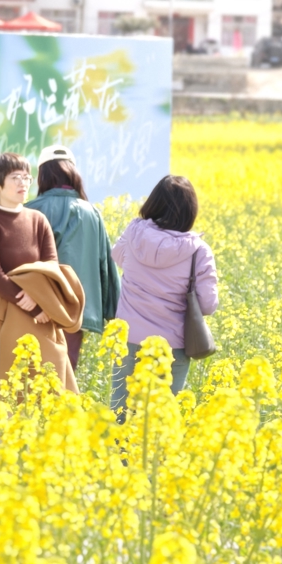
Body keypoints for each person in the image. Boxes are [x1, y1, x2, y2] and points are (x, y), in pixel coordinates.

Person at [0, 153, 78, 394]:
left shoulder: (38, 220)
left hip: (33, 313)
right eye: (15, 177)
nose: (23, 183)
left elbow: (50, 265)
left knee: (33, 388)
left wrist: (37, 300)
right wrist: (32, 302)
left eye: (27, 177)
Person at [110, 175, 218, 417]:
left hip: (129, 338)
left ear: (154, 202)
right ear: (191, 210)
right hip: (174, 345)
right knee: (160, 422)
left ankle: (119, 456)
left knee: (121, 413)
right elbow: (208, 305)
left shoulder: (135, 231)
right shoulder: (199, 251)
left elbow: (117, 256)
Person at [25, 145, 120, 371]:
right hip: (77, 308)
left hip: (37, 307)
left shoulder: (30, 210)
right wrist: (111, 311)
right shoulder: (91, 212)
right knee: (66, 372)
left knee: (35, 375)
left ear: (43, 175)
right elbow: (105, 264)